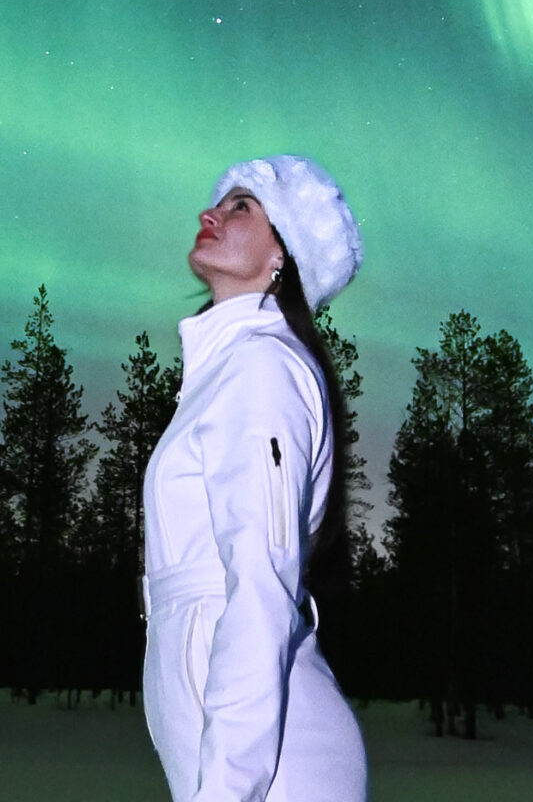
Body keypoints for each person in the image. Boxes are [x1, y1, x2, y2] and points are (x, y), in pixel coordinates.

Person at [142, 154, 369, 802]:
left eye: (242, 206)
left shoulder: (262, 369)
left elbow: (261, 589)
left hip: (280, 769)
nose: (208, 213)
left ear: (284, 254)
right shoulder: (228, 370)